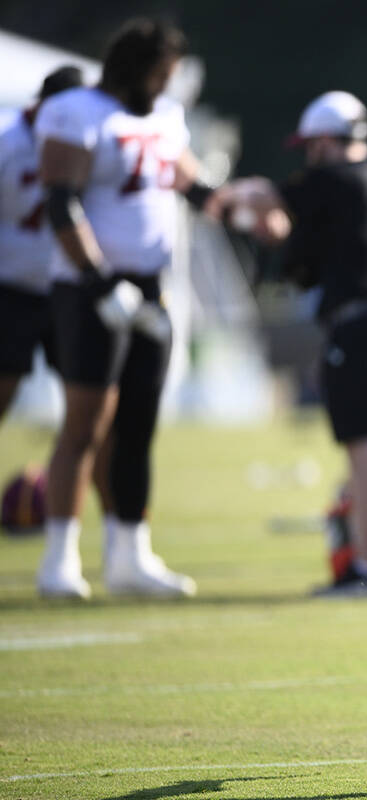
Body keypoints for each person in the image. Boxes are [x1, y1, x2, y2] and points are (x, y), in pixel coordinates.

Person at [35, 19, 219, 599]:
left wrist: (240, 207)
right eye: (161, 75)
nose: (166, 86)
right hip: (90, 288)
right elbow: (60, 204)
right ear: (138, 68)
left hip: (151, 285)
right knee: (85, 424)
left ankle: (129, 555)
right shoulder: (76, 111)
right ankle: (59, 558)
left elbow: (191, 185)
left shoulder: (165, 117)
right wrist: (96, 281)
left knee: (139, 423)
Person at [217, 91, 367, 597]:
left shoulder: (330, 179)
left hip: (359, 322)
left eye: (311, 146)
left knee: (365, 450)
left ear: (327, 140)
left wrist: (224, 198)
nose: (307, 156)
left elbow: (267, 200)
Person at [0, 66, 84, 422]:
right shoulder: (7, 139)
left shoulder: (83, 139)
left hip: (65, 288)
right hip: (10, 288)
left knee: (88, 402)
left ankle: (67, 479)